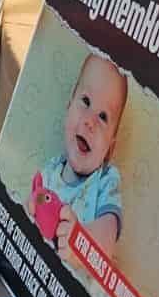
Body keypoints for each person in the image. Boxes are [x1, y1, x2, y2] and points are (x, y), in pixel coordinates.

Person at [28, 54, 126, 260]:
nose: (90, 121)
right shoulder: (51, 170)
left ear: (110, 148)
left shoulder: (105, 181)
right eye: (86, 101)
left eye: (103, 116)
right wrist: (30, 204)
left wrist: (80, 242)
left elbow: (108, 235)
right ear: (69, 106)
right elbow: (37, 198)